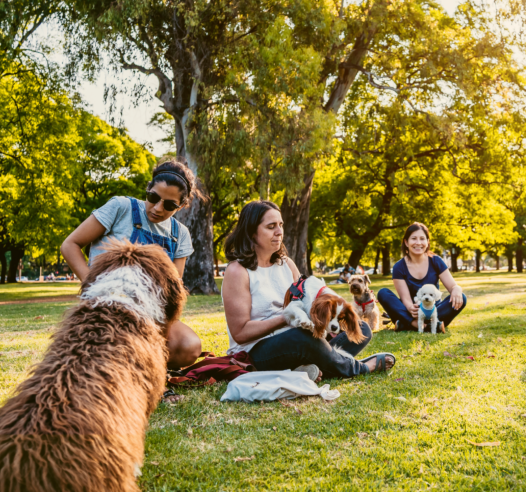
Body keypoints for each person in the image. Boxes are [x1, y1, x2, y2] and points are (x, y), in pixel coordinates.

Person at [221, 200, 395, 380]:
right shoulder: (237, 271)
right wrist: (286, 318)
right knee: (302, 338)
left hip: (299, 338)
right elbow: (240, 333)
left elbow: (306, 301)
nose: (279, 232)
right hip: (258, 351)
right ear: (251, 232)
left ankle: (305, 369)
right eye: (271, 226)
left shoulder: (286, 264)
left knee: (360, 328)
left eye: (280, 225)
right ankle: (359, 368)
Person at [60, 158, 202, 369]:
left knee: (189, 346)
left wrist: (156, 328)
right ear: (148, 189)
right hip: (107, 305)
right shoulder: (121, 207)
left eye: (170, 205)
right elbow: (70, 244)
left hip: (149, 312)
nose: (158, 208)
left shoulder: (180, 234)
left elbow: (173, 288)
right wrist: (92, 285)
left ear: (182, 206)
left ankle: (148, 370)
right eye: (153, 197)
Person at [376, 223, 466, 332]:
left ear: (427, 242)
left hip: (433, 310)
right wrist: (410, 308)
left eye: (422, 239)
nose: (418, 243)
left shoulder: (436, 261)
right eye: (414, 238)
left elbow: (453, 286)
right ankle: (417, 324)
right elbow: (406, 299)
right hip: (411, 312)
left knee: (462, 298)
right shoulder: (399, 267)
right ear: (406, 242)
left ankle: (407, 324)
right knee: (383, 293)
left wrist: (457, 289)